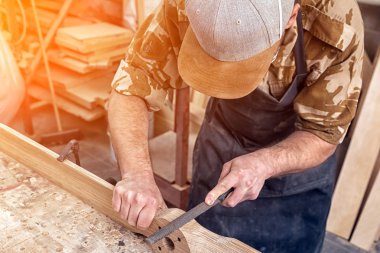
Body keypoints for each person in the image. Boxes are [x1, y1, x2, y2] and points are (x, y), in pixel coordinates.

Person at [108, 0, 364, 252]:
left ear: (290, 17)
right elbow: (133, 85)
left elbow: (323, 132)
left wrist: (265, 163)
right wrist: (137, 175)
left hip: (296, 180)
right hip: (222, 140)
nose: (222, 79)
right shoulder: (183, 3)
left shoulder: (336, 23)